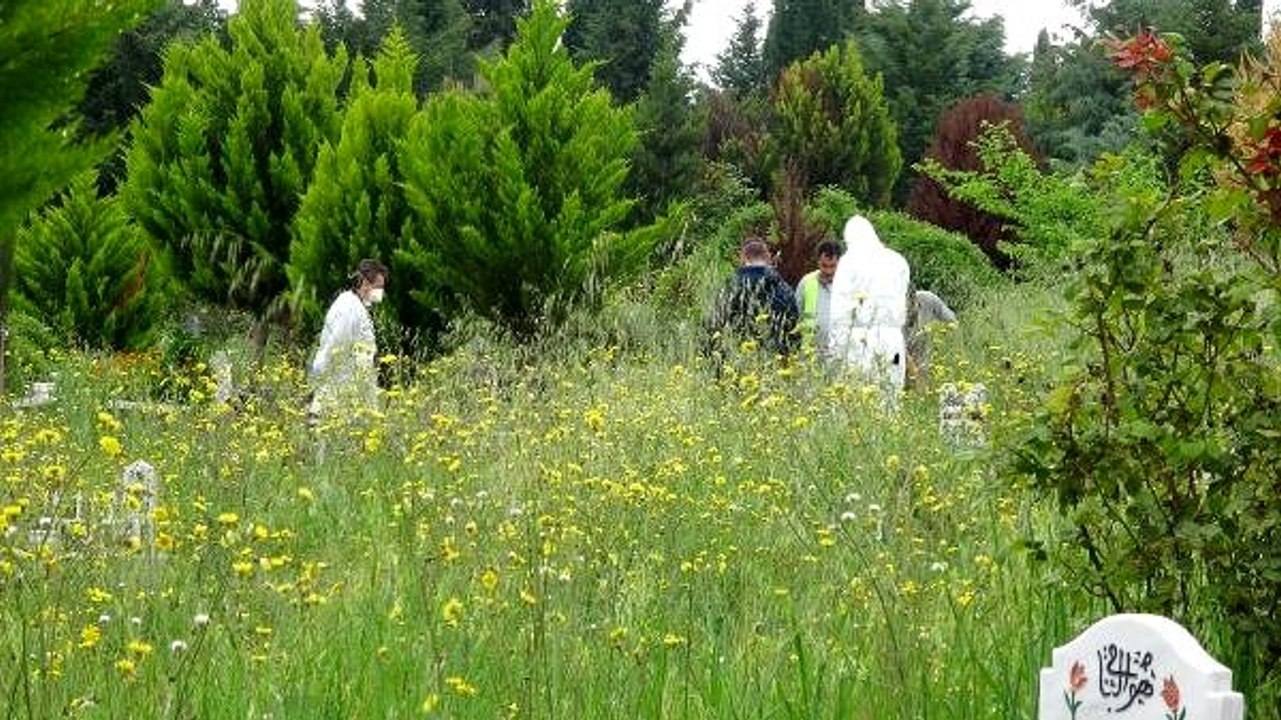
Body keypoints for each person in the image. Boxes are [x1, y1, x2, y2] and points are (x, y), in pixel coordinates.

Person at [827, 216, 911, 391]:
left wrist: (834, 351)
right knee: (890, 395)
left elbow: (840, 311)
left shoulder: (849, 262)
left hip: (859, 341)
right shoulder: (897, 261)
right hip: (893, 340)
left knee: (860, 396)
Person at [308, 259, 388, 425]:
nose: (381, 292)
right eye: (379, 286)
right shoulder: (348, 308)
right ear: (365, 283)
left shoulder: (358, 306)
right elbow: (334, 348)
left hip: (353, 390)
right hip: (339, 391)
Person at [702, 238, 799, 368]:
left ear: (743, 257)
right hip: (774, 368)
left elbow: (713, 327)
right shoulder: (783, 289)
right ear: (768, 257)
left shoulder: (729, 289)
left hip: (734, 365)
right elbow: (794, 329)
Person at [795, 239, 843, 361]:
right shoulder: (806, 282)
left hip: (839, 354)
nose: (828, 271)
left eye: (833, 266)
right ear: (817, 262)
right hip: (810, 354)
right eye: (824, 265)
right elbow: (795, 315)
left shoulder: (849, 285)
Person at [906, 289, 957, 389]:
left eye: (909, 306)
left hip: (931, 364)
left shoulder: (928, 299)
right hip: (904, 369)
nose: (906, 310)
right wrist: (917, 377)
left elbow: (953, 322)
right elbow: (903, 355)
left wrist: (937, 330)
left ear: (914, 299)